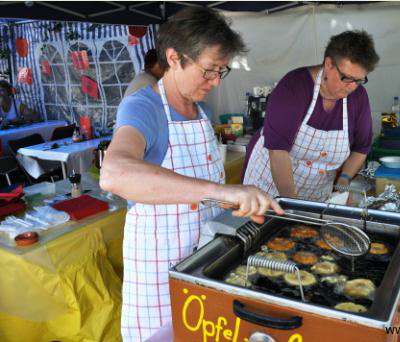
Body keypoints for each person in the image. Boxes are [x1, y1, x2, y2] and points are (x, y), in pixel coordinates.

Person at [99, 7, 283, 342]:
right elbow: (114, 173)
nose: (215, 82)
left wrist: (231, 205)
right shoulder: (144, 107)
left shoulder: (201, 110)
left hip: (205, 264)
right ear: (174, 58)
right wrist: (222, 190)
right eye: (209, 70)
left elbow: (196, 195)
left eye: (221, 72)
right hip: (159, 278)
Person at [243, 30, 379, 202]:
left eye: (359, 80)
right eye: (347, 78)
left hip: (317, 192)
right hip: (268, 186)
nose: (352, 87)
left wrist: (343, 180)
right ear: (329, 64)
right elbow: (278, 152)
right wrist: (293, 206)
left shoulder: (358, 97)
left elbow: (361, 147)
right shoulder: (293, 88)